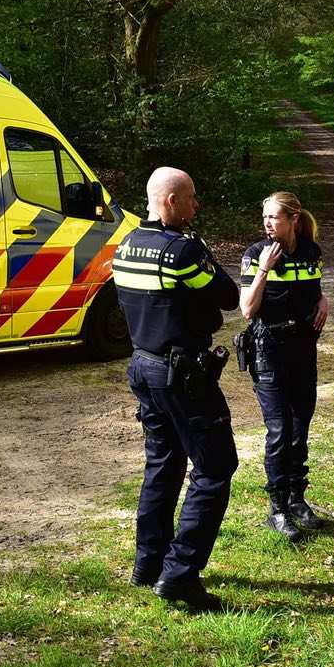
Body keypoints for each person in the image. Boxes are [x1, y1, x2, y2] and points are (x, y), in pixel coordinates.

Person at [111, 167, 241, 614]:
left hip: (143, 367)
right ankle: (181, 574)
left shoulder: (125, 246)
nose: (197, 206)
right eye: (191, 199)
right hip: (182, 374)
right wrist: (202, 264)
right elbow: (227, 296)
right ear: (170, 201)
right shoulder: (181, 251)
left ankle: (148, 563)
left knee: (162, 464)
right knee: (216, 467)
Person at [239, 191, 332, 539]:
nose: (267, 223)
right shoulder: (254, 255)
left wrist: (323, 298)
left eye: (274, 217)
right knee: (279, 430)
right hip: (268, 349)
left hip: (303, 348)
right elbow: (247, 309)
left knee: (300, 427)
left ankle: (296, 499)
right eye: (264, 217)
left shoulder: (311, 253)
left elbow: (313, 288)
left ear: (293, 220)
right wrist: (264, 267)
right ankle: (276, 509)